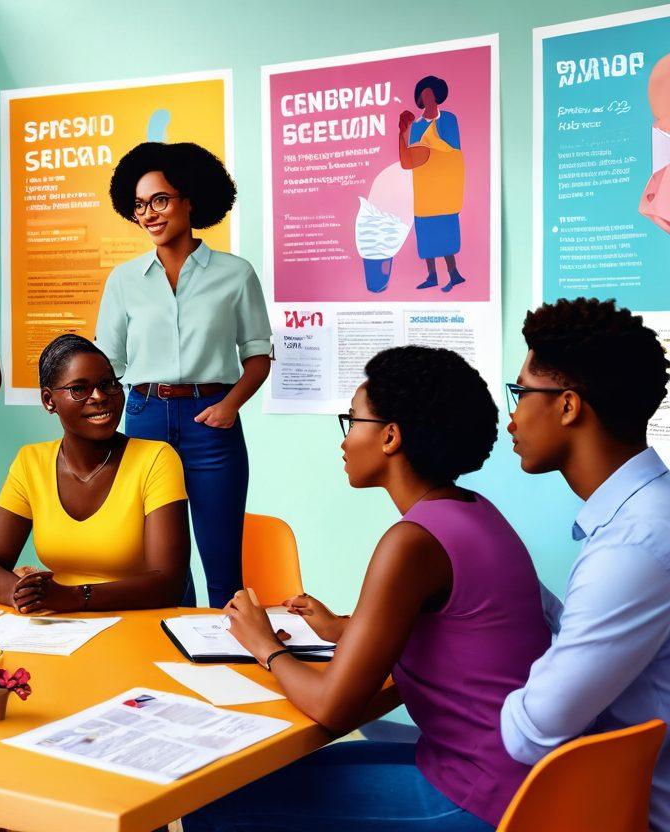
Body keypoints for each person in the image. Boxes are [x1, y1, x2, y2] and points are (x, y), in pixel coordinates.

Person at [186, 346, 551, 831]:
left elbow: (334, 709)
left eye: (353, 420)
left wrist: (264, 644)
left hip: (482, 797)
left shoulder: (412, 542)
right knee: (235, 778)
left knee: (211, 804)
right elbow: (457, 632)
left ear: (390, 437)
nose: (343, 439)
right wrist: (342, 628)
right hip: (515, 775)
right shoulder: (473, 511)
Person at [501, 298, 670, 831]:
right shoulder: (646, 512)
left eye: (522, 391)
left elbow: (531, 733)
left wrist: (477, 677)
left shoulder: (636, 542)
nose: (513, 414)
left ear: (568, 405)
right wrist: (514, 592)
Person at [96, 141, 271, 608]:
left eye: (160, 200)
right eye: (139, 205)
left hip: (210, 419)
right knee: (161, 563)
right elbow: (108, 365)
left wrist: (228, 407)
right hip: (145, 419)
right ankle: (177, 648)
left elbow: (257, 356)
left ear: (189, 199)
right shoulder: (124, 280)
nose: (148, 214)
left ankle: (233, 656)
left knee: (221, 559)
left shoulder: (235, 275)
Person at [0, 334, 188, 613]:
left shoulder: (156, 459)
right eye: (79, 389)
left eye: (108, 384)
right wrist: (21, 594)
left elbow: (169, 584)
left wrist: (75, 597)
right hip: (57, 625)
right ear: (49, 401)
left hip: (135, 623)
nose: (99, 397)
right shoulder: (31, 462)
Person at [399, 75, 467, 292]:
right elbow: (412, 156)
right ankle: (432, 276)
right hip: (425, 189)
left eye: (431, 94)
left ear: (438, 96)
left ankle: (454, 274)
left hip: (445, 190)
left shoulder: (449, 119)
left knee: (446, 233)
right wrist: (405, 133)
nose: (428, 99)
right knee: (427, 234)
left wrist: (429, 143)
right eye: (423, 95)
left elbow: (451, 147)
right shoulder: (417, 126)